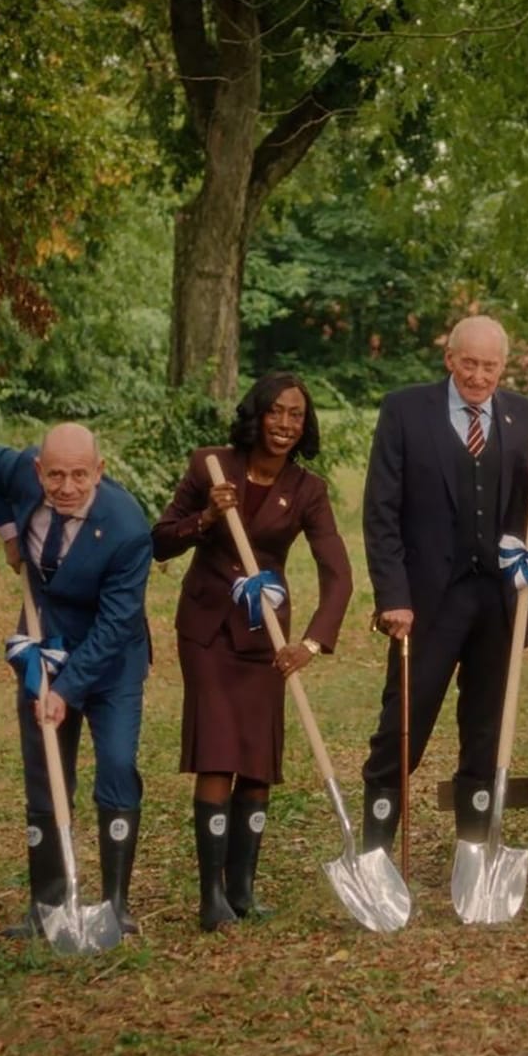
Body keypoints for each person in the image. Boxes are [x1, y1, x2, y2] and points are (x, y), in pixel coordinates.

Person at [359, 315, 528, 853]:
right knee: (403, 728)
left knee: (486, 733)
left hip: (500, 605)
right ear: (450, 359)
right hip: (428, 605)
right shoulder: (405, 410)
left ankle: (475, 851)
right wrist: (393, 597)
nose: (479, 376)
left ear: (503, 367)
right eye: (469, 363)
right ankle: (375, 851)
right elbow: (380, 511)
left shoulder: (525, 415)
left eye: (490, 366)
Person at [153, 373, 352, 931]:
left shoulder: (307, 489)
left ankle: (242, 889)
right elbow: (160, 540)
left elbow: (338, 575)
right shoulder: (210, 466)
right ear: (257, 414)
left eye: (296, 415)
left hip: (267, 636)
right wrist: (207, 519)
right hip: (209, 630)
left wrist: (311, 642)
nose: (286, 424)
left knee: (258, 761)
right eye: (276, 412)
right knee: (219, 752)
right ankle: (210, 896)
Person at [0, 424, 153, 935]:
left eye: (80, 474)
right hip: (43, 643)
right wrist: (8, 534)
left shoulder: (127, 529)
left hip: (111, 660)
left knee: (117, 763)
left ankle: (115, 905)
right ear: (38, 470)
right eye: (55, 475)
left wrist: (69, 689)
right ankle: (47, 905)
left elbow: (117, 623)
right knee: (45, 774)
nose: (67, 486)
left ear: (99, 470)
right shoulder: (23, 477)